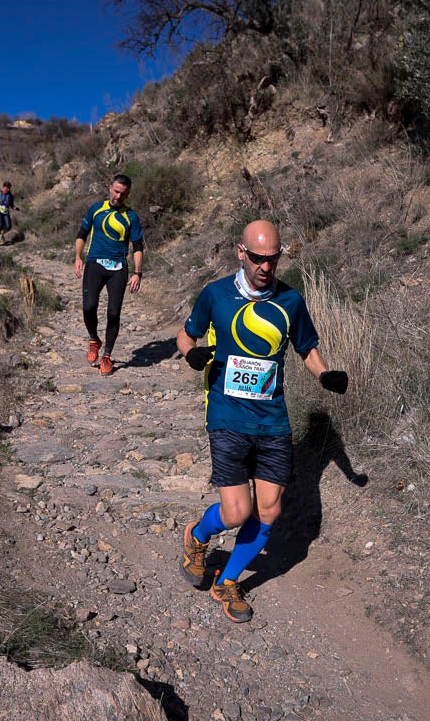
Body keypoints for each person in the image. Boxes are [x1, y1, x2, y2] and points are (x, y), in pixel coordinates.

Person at [176, 220, 348, 623]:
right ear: (241, 252)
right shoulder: (216, 294)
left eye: (272, 259)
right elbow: (186, 336)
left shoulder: (290, 301)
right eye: (257, 258)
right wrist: (191, 355)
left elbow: (307, 348)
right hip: (227, 415)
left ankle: (228, 581)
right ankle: (198, 536)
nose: (265, 267)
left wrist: (324, 375)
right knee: (236, 512)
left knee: (268, 512)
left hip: (273, 421)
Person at [74, 174, 144, 376]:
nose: (118, 196)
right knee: (89, 306)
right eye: (116, 191)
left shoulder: (131, 217)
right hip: (94, 263)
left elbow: (137, 246)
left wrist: (138, 273)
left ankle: (107, 356)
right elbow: (82, 234)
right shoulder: (96, 209)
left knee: (113, 313)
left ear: (127, 194)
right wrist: (78, 257)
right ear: (109, 188)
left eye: (123, 193)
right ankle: (94, 339)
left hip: (118, 267)